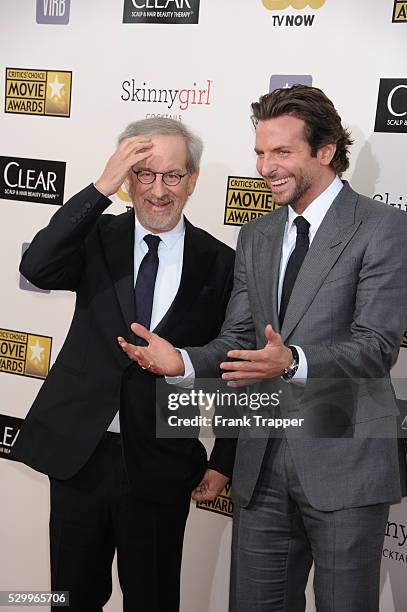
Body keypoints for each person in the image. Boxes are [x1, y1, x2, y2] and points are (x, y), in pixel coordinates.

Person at [118, 86, 407, 611]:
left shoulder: (383, 228)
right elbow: (237, 338)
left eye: (282, 152)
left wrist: (293, 361)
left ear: (324, 152)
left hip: (342, 460)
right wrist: (182, 361)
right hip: (263, 456)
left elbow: (377, 347)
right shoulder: (257, 235)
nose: (266, 166)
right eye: (259, 151)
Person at [12, 118, 236, 612]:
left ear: (193, 179)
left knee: (153, 599)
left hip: (160, 460)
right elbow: (37, 267)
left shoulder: (221, 263)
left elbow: (233, 367)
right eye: (143, 174)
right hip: (80, 453)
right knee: (69, 599)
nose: (158, 190)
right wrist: (100, 187)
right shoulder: (97, 236)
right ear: (127, 180)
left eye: (173, 175)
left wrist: (225, 459)